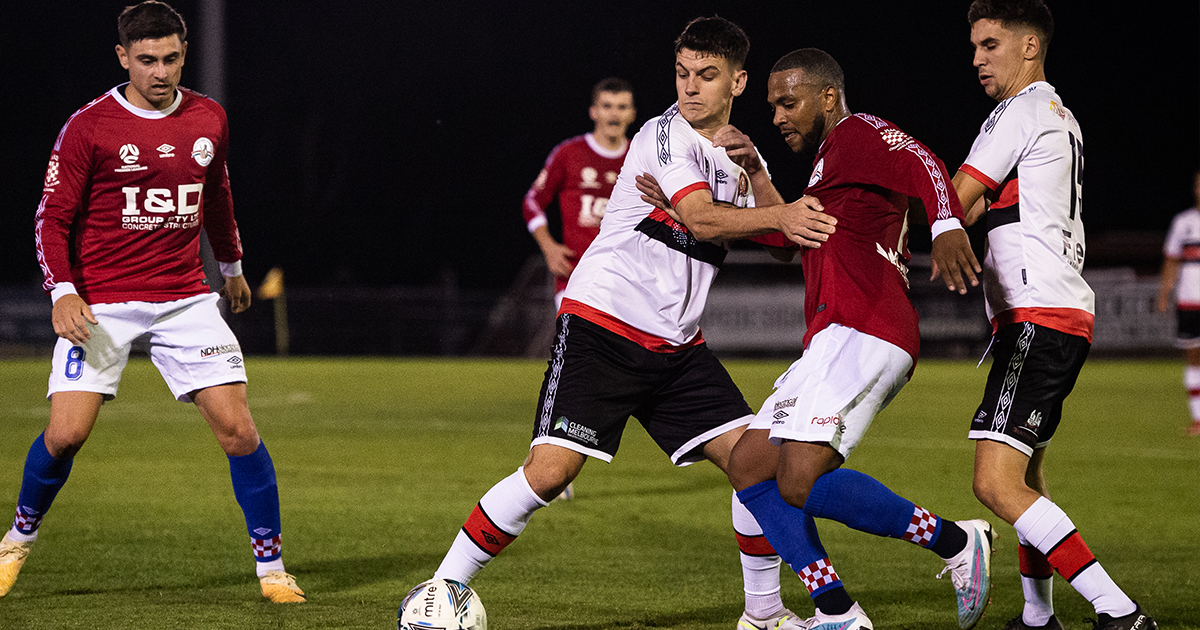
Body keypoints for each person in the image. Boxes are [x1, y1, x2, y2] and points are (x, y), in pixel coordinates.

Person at [423, 17, 839, 630]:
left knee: (756, 465)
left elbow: (782, 244)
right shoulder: (661, 136)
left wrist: (755, 174)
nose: (690, 87)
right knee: (551, 473)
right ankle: (440, 589)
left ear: (738, 81)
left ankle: (765, 615)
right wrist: (769, 213)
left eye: (707, 75)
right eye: (682, 73)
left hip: (676, 347)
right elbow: (702, 220)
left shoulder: (734, 155)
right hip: (605, 326)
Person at [650, 47, 996, 630]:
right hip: (831, 337)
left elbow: (923, 162)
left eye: (789, 103)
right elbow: (788, 237)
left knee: (799, 478)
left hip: (869, 329)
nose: (779, 116)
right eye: (773, 106)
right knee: (750, 466)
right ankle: (836, 609)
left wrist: (945, 225)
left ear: (827, 97)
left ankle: (957, 542)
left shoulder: (857, 133)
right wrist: (747, 181)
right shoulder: (828, 168)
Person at [0, 1, 304, 603]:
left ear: (182, 54)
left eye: (169, 58)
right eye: (146, 60)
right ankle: (15, 541)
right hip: (103, 301)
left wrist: (234, 267)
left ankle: (272, 572)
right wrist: (62, 290)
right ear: (123, 58)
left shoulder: (208, 116)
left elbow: (215, 194)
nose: (159, 71)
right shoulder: (89, 126)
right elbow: (51, 217)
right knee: (66, 435)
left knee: (239, 429)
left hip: (185, 297)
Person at [947, 1, 1157, 629]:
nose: (978, 59)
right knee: (1027, 478)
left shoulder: (1019, 108)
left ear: (1029, 44)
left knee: (995, 484)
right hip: (1055, 313)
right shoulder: (1059, 116)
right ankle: (1038, 618)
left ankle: (1117, 611)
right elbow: (983, 205)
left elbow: (960, 194)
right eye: (975, 47)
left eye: (990, 44)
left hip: (1038, 316)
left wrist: (882, 232)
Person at [524, 77, 637, 311]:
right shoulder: (568, 153)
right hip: (576, 276)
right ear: (593, 112)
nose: (614, 114)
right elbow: (532, 201)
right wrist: (548, 246)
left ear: (632, 114)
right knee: (578, 347)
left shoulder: (641, 157)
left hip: (628, 278)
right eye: (607, 106)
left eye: (621, 107)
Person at [1156, 169, 1200, 437]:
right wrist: (1164, 293)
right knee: (1194, 357)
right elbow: (1171, 260)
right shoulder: (1183, 222)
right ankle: (1198, 418)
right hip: (1190, 301)